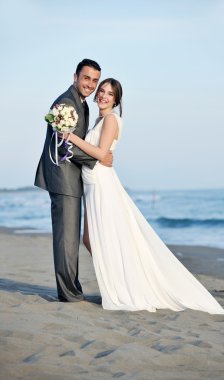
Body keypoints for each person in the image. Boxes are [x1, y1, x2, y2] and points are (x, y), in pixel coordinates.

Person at [60, 77, 224, 316]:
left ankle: (125, 284)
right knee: (91, 239)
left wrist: (71, 137)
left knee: (105, 238)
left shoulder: (112, 120)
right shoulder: (99, 119)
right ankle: (119, 280)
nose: (104, 95)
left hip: (102, 185)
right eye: (102, 91)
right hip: (92, 184)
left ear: (116, 100)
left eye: (110, 94)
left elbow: (101, 153)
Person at [34, 59, 113, 302]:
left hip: (71, 178)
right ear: (75, 77)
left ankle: (72, 288)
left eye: (94, 80)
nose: (90, 84)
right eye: (86, 78)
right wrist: (97, 159)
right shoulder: (66, 103)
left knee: (70, 238)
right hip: (63, 178)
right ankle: (69, 293)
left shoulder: (82, 104)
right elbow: (61, 145)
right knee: (67, 239)